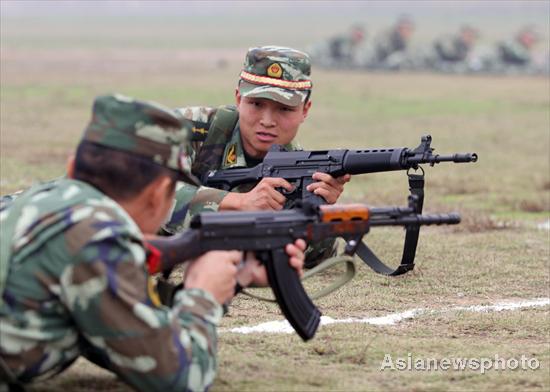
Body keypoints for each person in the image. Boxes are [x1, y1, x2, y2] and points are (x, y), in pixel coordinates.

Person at [0, 94, 305, 391]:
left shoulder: (31, 204)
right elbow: (179, 376)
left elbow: (123, 336)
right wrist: (204, 295)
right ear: (160, 195)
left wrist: (235, 277)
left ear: (71, 169)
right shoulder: (98, 244)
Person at [163, 46, 351, 267]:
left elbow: (314, 259)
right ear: (238, 98)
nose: (268, 120)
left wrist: (321, 209)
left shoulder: (298, 167)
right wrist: (239, 203)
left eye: (284, 109)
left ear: (305, 110)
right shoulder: (187, 128)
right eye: (256, 104)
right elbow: (150, 193)